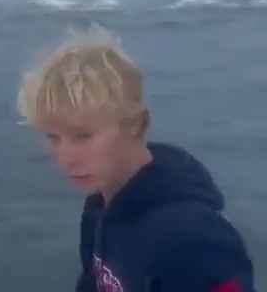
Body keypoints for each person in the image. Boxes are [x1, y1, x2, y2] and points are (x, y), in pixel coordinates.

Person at [17, 28, 255, 292]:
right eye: (53, 137)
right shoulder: (101, 206)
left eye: (83, 136)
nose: (66, 158)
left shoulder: (192, 239)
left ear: (135, 124)